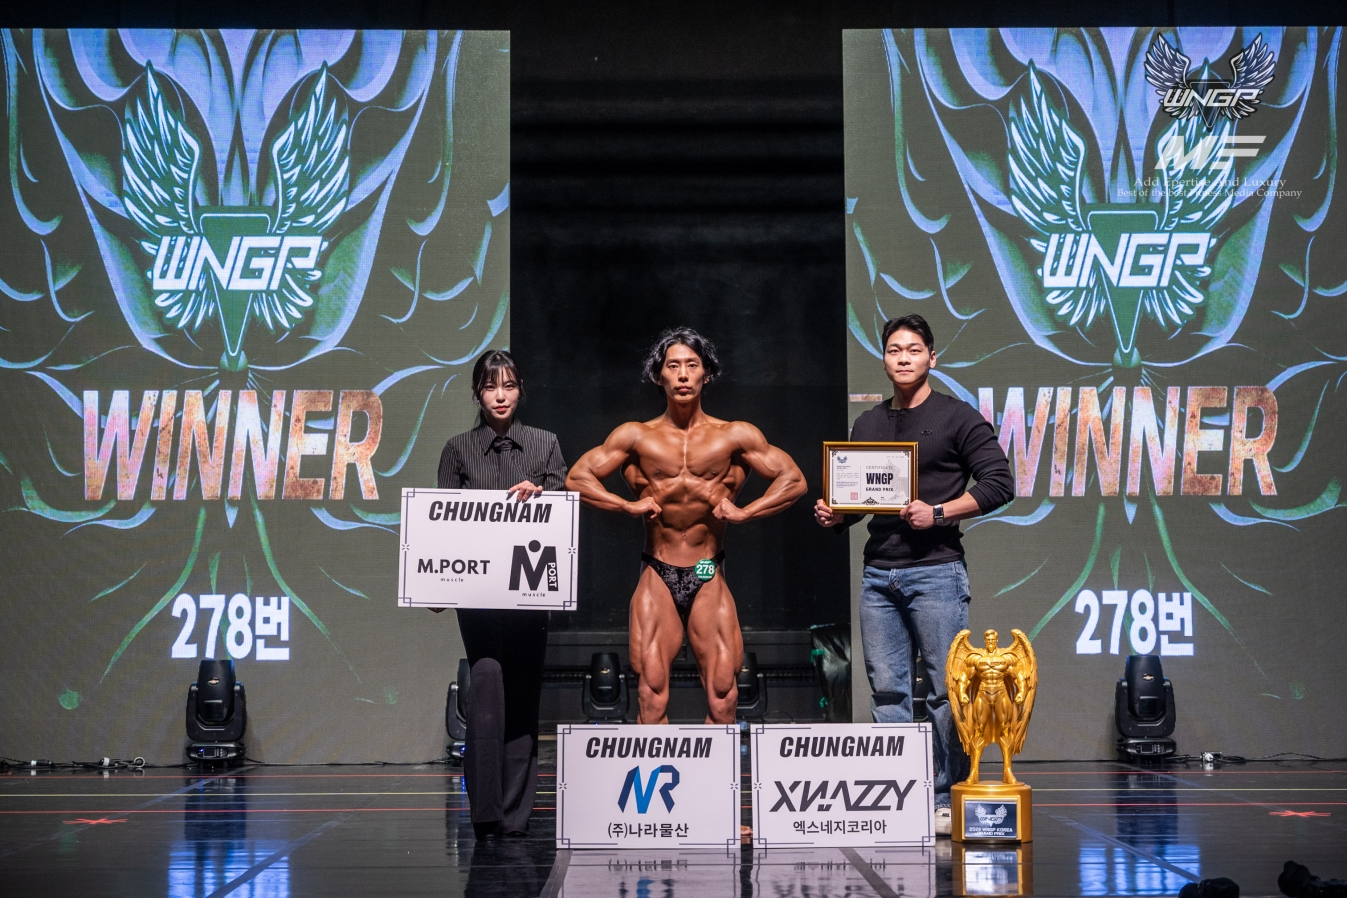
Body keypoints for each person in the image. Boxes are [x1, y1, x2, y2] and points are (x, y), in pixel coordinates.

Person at [814, 314, 1014, 836]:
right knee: (887, 692)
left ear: (932, 357)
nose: (903, 358)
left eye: (913, 349)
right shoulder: (868, 424)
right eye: (894, 350)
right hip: (879, 575)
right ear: (884, 359)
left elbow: (1000, 483)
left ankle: (947, 797)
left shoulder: (956, 416)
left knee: (947, 693)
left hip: (936, 572)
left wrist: (940, 512)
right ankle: (899, 796)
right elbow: (860, 501)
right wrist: (836, 514)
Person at [567, 327, 807, 725]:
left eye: (692, 365)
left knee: (723, 694)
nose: (682, 374)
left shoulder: (734, 435)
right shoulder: (635, 436)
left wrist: (747, 512)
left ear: (706, 374)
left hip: (706, 568)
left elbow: (793, 480)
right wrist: (626, 506)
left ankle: (713, 769)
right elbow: (577, 478)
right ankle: (656, 766)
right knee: (651, 694)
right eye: (673, 365)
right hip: (658, 569)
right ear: (658, 374)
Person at [434, 349, 566, 840]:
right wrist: (435, 584)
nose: (501, 395)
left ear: (520, 390)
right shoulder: (458, 450)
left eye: (509, 385)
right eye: (491, 386)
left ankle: (514, 815)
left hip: (529, 594)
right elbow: (441, 524)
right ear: (478, 393)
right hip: (479, 597)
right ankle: (485, 811)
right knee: (487, 688)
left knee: (525, 693)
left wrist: (544, 496)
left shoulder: (546, 445)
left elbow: (564, 513)